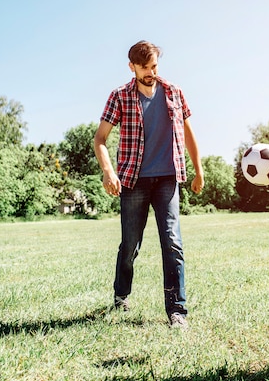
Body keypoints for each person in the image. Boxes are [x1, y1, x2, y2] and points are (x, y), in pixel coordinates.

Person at [94, 40, 204, 329]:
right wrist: (108, 171)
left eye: (154, 66)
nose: (150, 72)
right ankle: (121, 293)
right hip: (133, 180)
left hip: (168, 178)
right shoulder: (119, 96)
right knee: (130, 244)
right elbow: (100, 139)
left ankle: (177, 311)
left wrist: (199, 170)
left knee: (173, 242)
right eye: (144, 68)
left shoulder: (174, 93)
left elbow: (190, 133)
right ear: (132, 67)